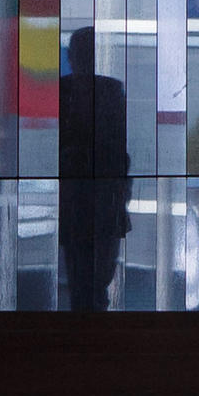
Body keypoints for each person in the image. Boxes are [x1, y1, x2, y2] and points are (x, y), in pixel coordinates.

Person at [57, 25, 130, 312]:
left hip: (87, 198)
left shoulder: (66, 92)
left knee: (86, 278)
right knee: (92, 277)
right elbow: (117, 148)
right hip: (97, 198)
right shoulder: (110, 91)